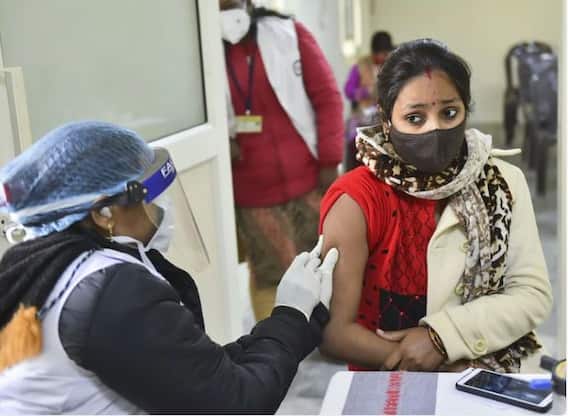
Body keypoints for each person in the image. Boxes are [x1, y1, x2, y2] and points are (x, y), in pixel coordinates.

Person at [0, 121, 339, 414]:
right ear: (104, 214)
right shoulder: (109, 291)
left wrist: (295, 321)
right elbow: (235, 404)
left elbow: (199, 371)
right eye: (149, 200)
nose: (162, 211)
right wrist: (292, 314)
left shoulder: (53, 265)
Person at [318, 39, 552, 373]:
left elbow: (531, 294)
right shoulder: (357, 199)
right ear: (386, 120)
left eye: (449, 113)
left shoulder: (502, 182)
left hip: (492, 377)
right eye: (415, 118)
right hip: (389, 386)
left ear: (466, 109)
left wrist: (443, 338)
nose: (435, 128)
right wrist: (434, 365)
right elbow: (335, 332)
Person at [220, 0, 344, 320]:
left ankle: (330, 334)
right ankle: (277, 340)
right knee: (271, 275)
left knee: (327, 266)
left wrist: (330, 161)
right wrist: (223, 139)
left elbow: (328, 98)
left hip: (310, 181)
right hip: (254, 195)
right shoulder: (205, 53)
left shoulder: (289, 34)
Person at [343, 31, 394, 172]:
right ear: (374, 52)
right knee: (355, 148)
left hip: (383, 118)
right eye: (380, 53)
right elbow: (348, 90)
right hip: (362, 117)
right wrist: (363, 92)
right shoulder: (360, 66)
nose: (383, 57)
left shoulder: (391, 67)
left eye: (386, 54)